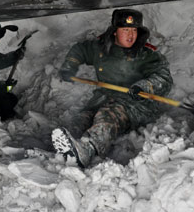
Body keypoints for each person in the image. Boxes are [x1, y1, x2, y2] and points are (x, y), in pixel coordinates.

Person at [52, 9, 173, 167]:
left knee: (107, 116)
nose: (130, 35)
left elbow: (164, 78)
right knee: (82, 119)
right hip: (104, 98)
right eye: (125, 30)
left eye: (134, 30)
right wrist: (70, 66)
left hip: (135, 105)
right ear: (115, 32)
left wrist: (144, 86)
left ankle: (88, 150)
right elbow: (80, 50)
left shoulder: (146, 54)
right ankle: (65, 152)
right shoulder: (101, 48)